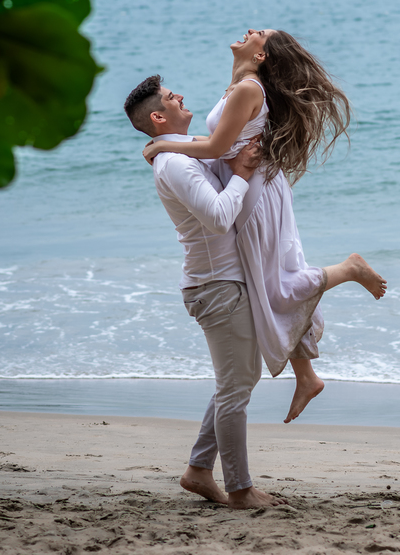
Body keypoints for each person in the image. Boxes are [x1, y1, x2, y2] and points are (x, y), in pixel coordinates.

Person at [141, 30, 387, 424]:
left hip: (254, 191)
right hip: (257, 186)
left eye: (261, 35)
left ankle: (347, 270)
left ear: (261, 56)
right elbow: (221, 139)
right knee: (271, 281)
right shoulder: (240, 83)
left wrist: (164, 145)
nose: (252, 31)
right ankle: (306, 375)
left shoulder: (247, 88)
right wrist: (174, 144)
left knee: (273, 285)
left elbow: (217, 149)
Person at [122, 75, 282, 509]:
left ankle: (197, 470)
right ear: (158, 116)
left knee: (238, 382)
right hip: (215, 286)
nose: (181, 97)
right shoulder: (174, 163)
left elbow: (214, 141)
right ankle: (241, 488)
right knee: (235, 389)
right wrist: (243, 176)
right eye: (173, 97)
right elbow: (217, 217)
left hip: (221, 281)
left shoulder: (177, 151)